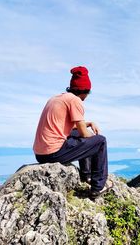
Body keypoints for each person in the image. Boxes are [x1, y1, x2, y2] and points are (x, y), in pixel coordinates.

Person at [33, 66, 112, 199]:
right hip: (53, 154)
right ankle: (98, 186)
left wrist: (88, 123)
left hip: (40, 154)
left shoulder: (56, 98)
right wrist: (93, 138)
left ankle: (86, 176)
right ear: (85, 91)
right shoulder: (75, 101)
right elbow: (83, 133)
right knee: (100, 141)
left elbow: (70, 127)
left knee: (82, 136)